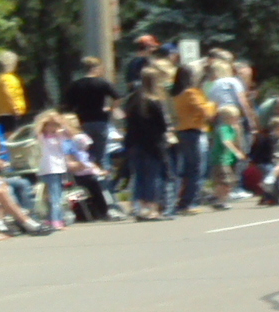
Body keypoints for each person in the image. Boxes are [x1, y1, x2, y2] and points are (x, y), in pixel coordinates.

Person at [121, 73, 171, 220]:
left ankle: (140, 208)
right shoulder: (155, 101)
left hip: (134, 143)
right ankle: (152, 209)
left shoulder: (132, 100)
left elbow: (127, 123)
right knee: (153, 177)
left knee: (140, 177)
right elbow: (162, 126)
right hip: (153, 144)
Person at [61, 57, 119, 176]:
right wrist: (111, 109)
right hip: (100, 120)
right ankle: (105, 182)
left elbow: (67, 105)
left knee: (86, 154)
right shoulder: (102, 83)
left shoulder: (75, 85)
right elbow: (118, 97)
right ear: (95, 68)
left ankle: (91, 178)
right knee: (101, 154)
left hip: (83, 122)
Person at [171, 66, 213, 215]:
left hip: (182, 130)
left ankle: (184, 200)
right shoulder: (191, 93)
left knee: (187, 168)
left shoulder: (176, 94)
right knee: (196, 169)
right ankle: (189, 202)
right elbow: (205, 111)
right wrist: (211, 104)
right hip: (194, 130)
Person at [35, 112, 71, 230]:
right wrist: (45, 120)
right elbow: (37, 131)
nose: (53, 127)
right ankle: (55, 220)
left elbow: (70, 134)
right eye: (50, 125)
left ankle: (58, 219)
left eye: (54, 125)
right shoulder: (42, 137)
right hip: (49, 168)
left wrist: (61, 122)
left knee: (59, 195)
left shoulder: (60, 136)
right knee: (54, 196)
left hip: (59, 167)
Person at [209, 106, 244, 210]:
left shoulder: (233, 129)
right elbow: (226, 142)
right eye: (235, 117)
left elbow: (238, 142)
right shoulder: (223, 129)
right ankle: (221, 200)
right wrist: (236, 152)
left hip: (229, 160)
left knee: (229, 181)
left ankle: (215, 197)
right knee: (225, 181)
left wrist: (239, 131)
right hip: (221, 159)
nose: (238, 120)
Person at [0, 51, 26, 135]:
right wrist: (16, 110)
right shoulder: (10, 79)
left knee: (2, 138)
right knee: (13, 137)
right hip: (11, 114)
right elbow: (10, 95)